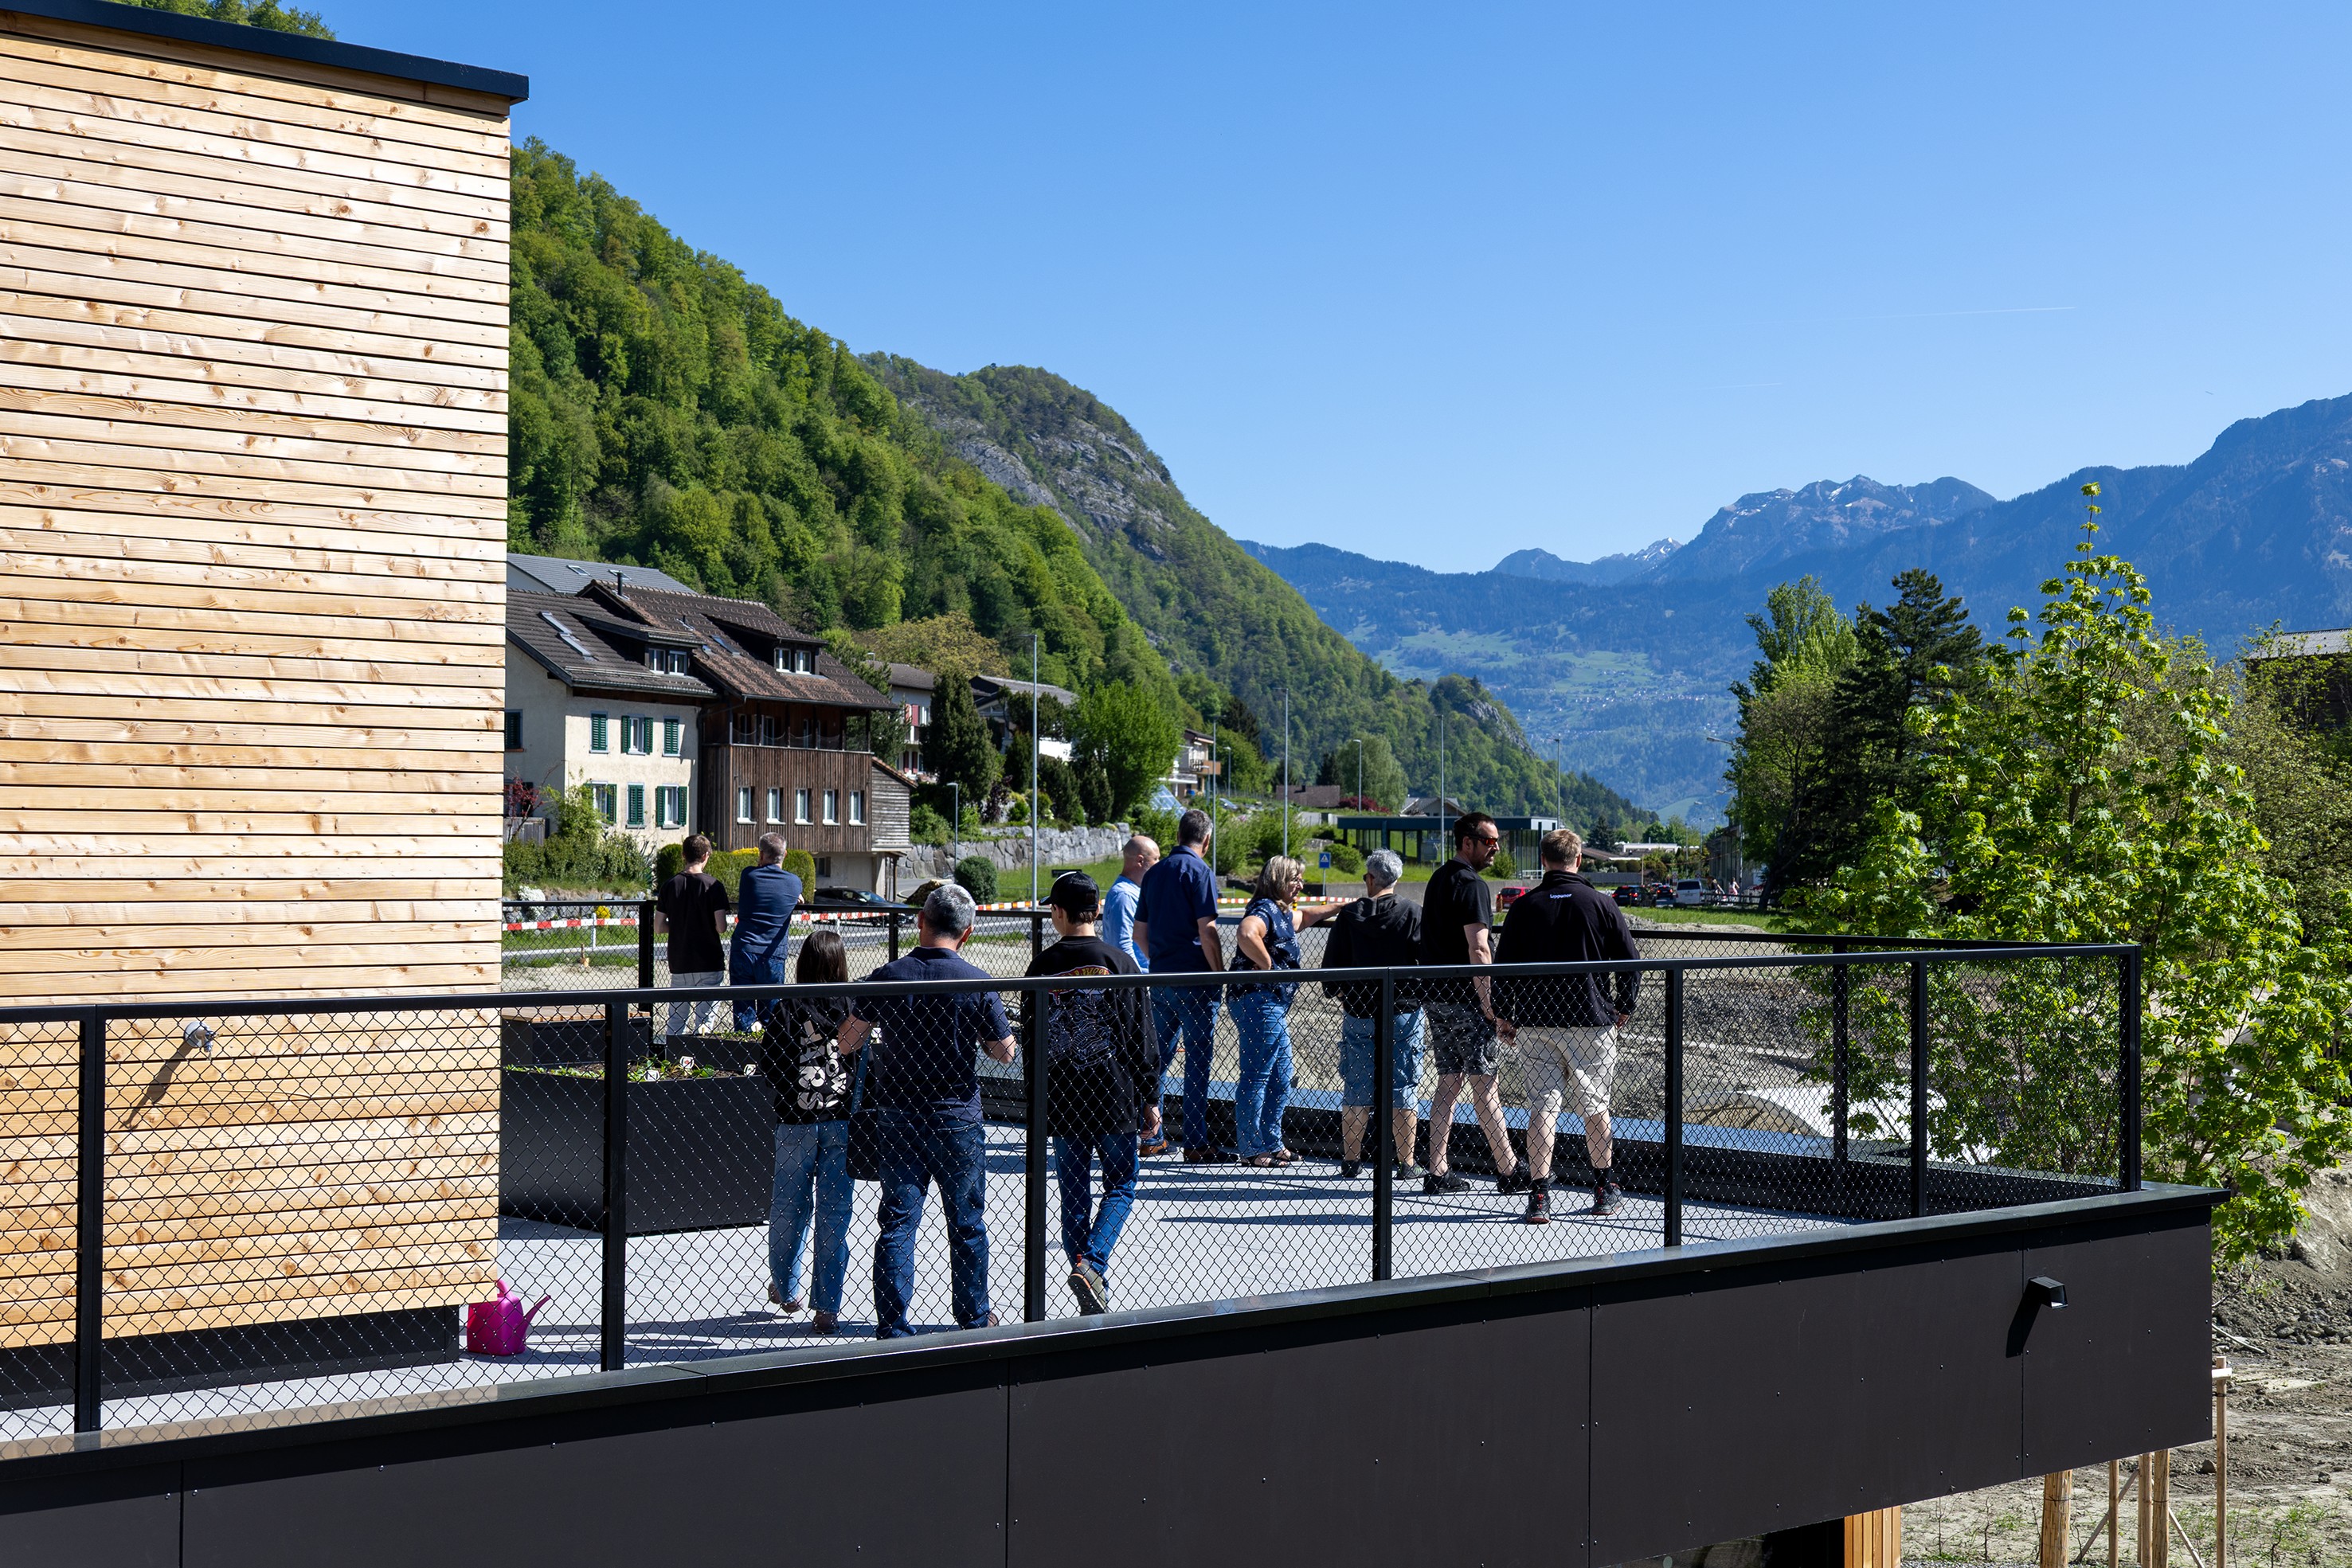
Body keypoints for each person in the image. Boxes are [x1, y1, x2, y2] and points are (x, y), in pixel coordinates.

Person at [836, 883, 1016, 1337]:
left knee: (898, 1218)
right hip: (956, 1113)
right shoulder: (976, 981)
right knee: (967, 1221)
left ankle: (893, 1324)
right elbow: (1004, 1052)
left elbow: (847, 1040)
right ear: (968, 932)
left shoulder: (889, 977)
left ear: (921, 921)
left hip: (898, 1112)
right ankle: (974, 1317)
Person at [1023, 873, 1158, 1315]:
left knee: (1073, 1192)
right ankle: (1092, 1265)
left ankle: (1087, 1272)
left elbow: (1031, 1041)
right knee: (1121, 1182)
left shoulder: (1040, 967)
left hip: (1062, 1097)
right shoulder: (1119, 961)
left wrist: (1035, 1099)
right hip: (1114, 1094)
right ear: (1097, 910)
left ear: (1058, 913)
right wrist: (1150, 1096)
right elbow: (1144, 1037)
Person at [1493, 828, 1643, 1222]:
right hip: (1590, 1020)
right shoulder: (1600, 903)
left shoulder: (1524, 908)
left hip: (1536, 1020)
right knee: (1595, 1108)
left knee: (1543, 1107)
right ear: (1579, 860)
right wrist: (1623, 1006)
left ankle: (1540, 1196)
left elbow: (1503, 966)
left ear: (1544, 861)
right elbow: (1630, 960)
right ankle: (1603, 1186)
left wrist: (1505, 1015)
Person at [1418, 812, 1529, 1195]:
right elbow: (1479, 949)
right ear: (1468, 842)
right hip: (1468, 1003)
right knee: (1486, 1086)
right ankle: (1509, 1169)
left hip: (1435, 999)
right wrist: (1491, 1007)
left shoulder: (1437, 880)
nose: (1495, 848)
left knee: (1448, 1083)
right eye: (1489, 841)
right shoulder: (1472, 886)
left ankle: (1436, 1170)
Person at [759, 929, 854, 1334]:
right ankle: (827, 1305)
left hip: (795, 1122)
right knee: (835, 1212)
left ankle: (786, 1288)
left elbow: (769, 1061)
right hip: (842, 1120)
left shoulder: (787, 1005)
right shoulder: (852, 1005)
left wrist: (790, 1091)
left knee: (788, 1207)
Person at [1315, 849, 1426, 1179]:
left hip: (1360, 1009)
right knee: (1403, 1085)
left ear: (1371, 878)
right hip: (1402, 1011)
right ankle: (1406, 1164)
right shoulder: (1413, 913)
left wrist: (1341, 991)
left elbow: (1330, 970)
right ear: (1396, 879)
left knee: (1357, 1086)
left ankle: (1351, 1161)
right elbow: (1425, 966)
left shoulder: (1349, 916)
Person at [1132, 808, 1224, 1162]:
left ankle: (1148, 1131)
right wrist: (1218, 974)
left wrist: (1160, 958)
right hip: (1196, 980)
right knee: (1198, 1060)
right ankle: (1196, 1142)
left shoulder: (1154, 874)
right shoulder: (1200, 872)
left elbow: (1140, 934)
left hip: (1162, 976)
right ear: (1206, 839)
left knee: (1158, 1057)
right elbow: (1208, 931)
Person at [1229, 855, 1307, 1167]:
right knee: (1257, 1075)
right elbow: (1247, 933)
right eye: (1294, 879)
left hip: (1269, 1003)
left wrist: (1342, 909)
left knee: (1282, 1074)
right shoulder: (1264, 909)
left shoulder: (1282, 912)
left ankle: (1271, 1141)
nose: (1300, 884)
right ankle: (1251, 1147)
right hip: (1258, 1000)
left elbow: (1307, 917)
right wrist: (1268, 966)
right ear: (1277, 880)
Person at [654, 833, 729, 1042]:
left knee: (676, 1018)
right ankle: (700, 1063)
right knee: (704, 1021)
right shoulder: (714, 886)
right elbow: (721, 927)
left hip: (680, 960)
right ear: (706, 856)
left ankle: (673, 1061)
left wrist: (680, 925)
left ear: (683, 855)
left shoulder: (670, 885)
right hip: (708, 960)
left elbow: (659, 927)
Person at [730, 832, 802, 1030]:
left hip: (744, 948)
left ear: (761, 855)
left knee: (743, 1012)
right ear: (785, 854)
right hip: (773, 954)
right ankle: (770, 1056)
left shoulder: (749, 875)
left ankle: (744, 1054)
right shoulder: (794, 883)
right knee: (772, 1015)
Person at [1102, 835, 1159, 975]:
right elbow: (1122, 947)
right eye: (1155, 859)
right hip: (1138, 983)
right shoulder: (1124, 896)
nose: (1159, 863)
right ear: (1140, 861)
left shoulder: (1132, 892)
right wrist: (1140, 984)